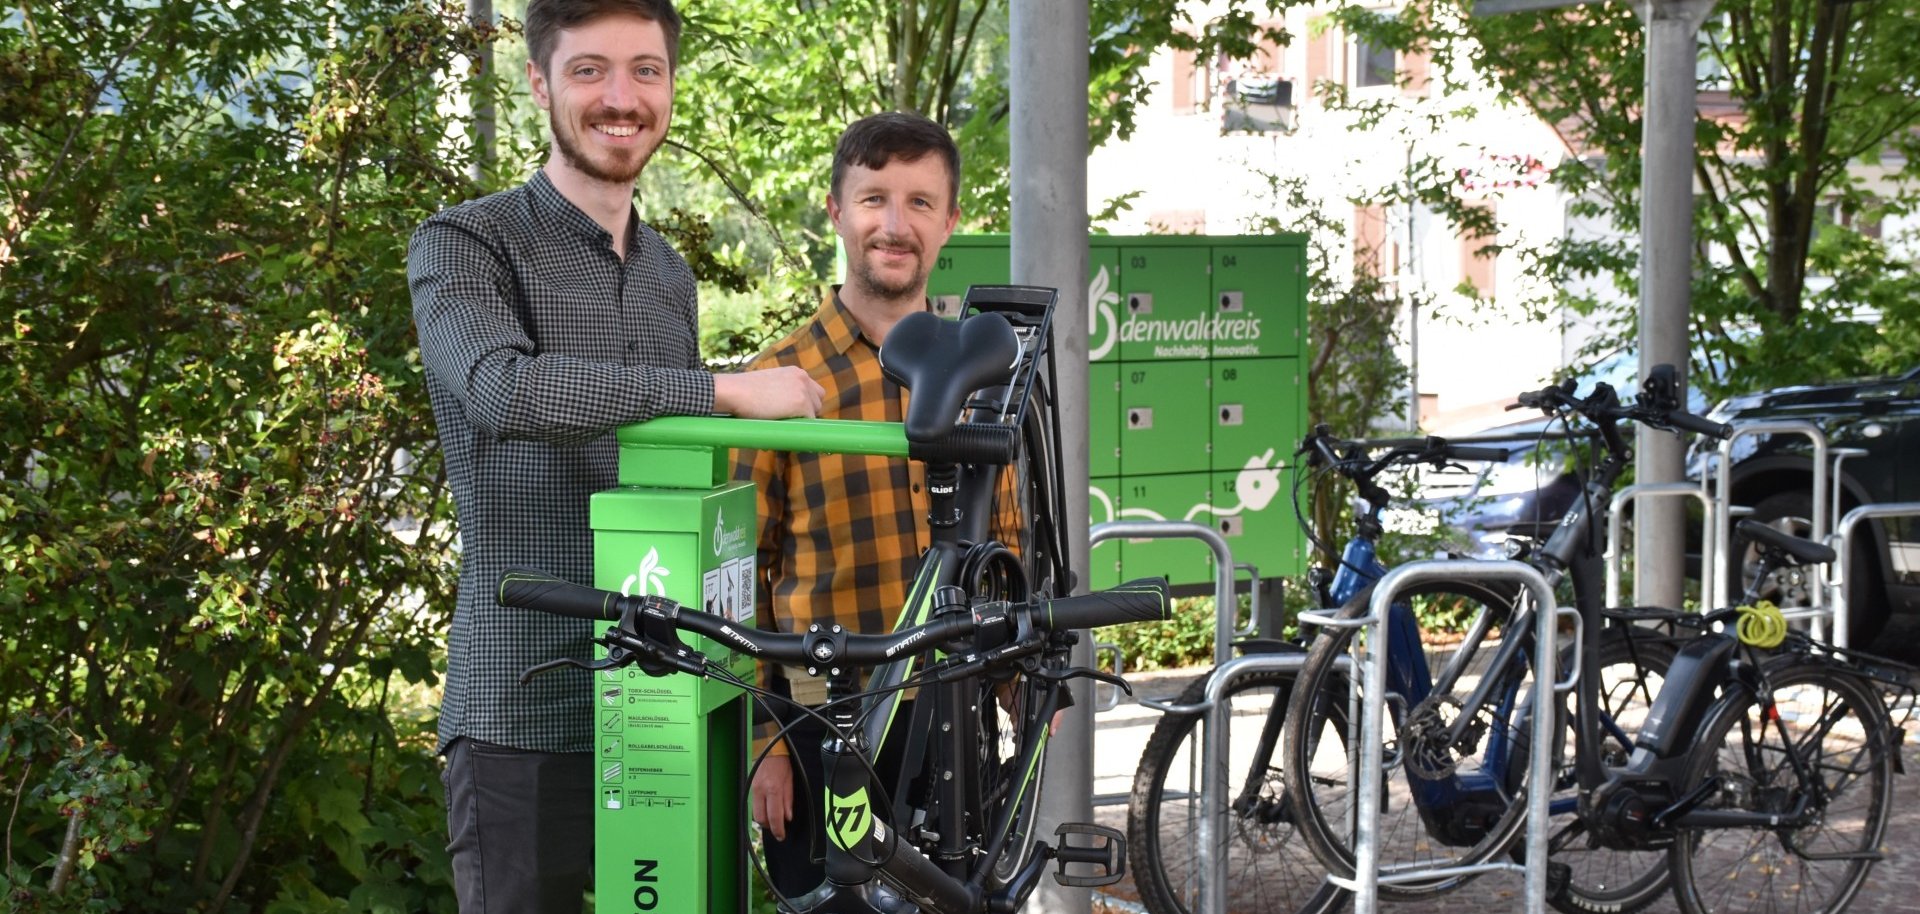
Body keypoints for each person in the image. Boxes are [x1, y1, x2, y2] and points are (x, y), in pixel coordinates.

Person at [407, 1, 823, 910]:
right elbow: (502, 391)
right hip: (525, 701)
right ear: (539, 84)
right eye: (589, 69)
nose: (621, 96)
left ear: (671, 87)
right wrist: (721, 389)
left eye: (646, 69)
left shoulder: (670, 272)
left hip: (666, 699)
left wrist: (749, 706)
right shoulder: (466, 243)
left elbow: (690, 500)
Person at [731, 112, 1023, 899]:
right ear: (835, 210)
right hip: (825, 725)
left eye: (921, 203)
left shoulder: (984, 375)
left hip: (957, 716)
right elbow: (746, 576)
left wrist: (1022, 687)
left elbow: (1006, 542)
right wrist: (770, 742)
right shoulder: (779, 382)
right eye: (874, 200)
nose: (896, 226)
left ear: (951, 220)